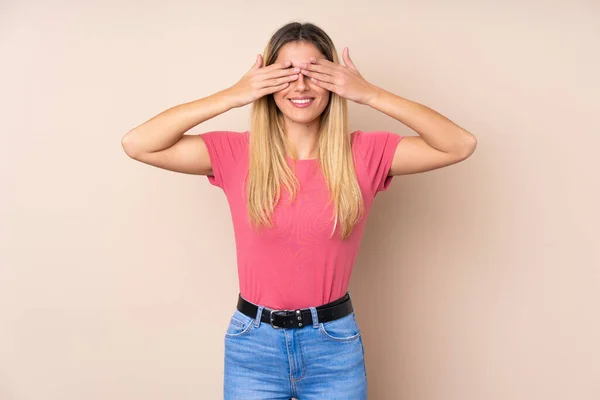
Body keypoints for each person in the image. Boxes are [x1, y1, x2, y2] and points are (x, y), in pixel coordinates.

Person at [121, 21, 476, 400]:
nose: (301, 86)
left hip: (334, 346)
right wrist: (233, 95)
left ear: (334, 81)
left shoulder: (364, 154)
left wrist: (370, 95)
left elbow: (459, 144)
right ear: (267, 83)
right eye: (286, 74)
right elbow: (138, 143)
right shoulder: (238, 153)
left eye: (315, 73)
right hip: (252, 346)